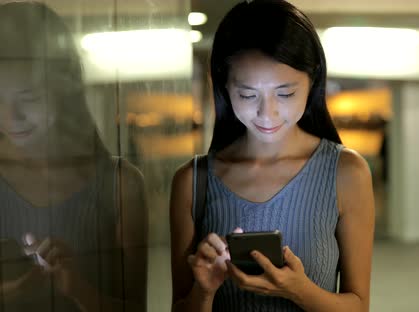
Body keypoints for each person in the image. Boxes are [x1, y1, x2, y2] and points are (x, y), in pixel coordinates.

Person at [169, 0, 375, 311]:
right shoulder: (193, 182)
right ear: (224, 87)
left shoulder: (346, 172)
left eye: (285, 93)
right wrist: (205, 290)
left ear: (313, 80)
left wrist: (299, 291)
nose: (268, 113)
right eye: (248, 94)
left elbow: (358, 306)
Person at [0, 2, 147, 311]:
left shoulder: (119, 184)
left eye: (30, 99)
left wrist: (76, 287)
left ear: (65, 89)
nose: (10, 118)